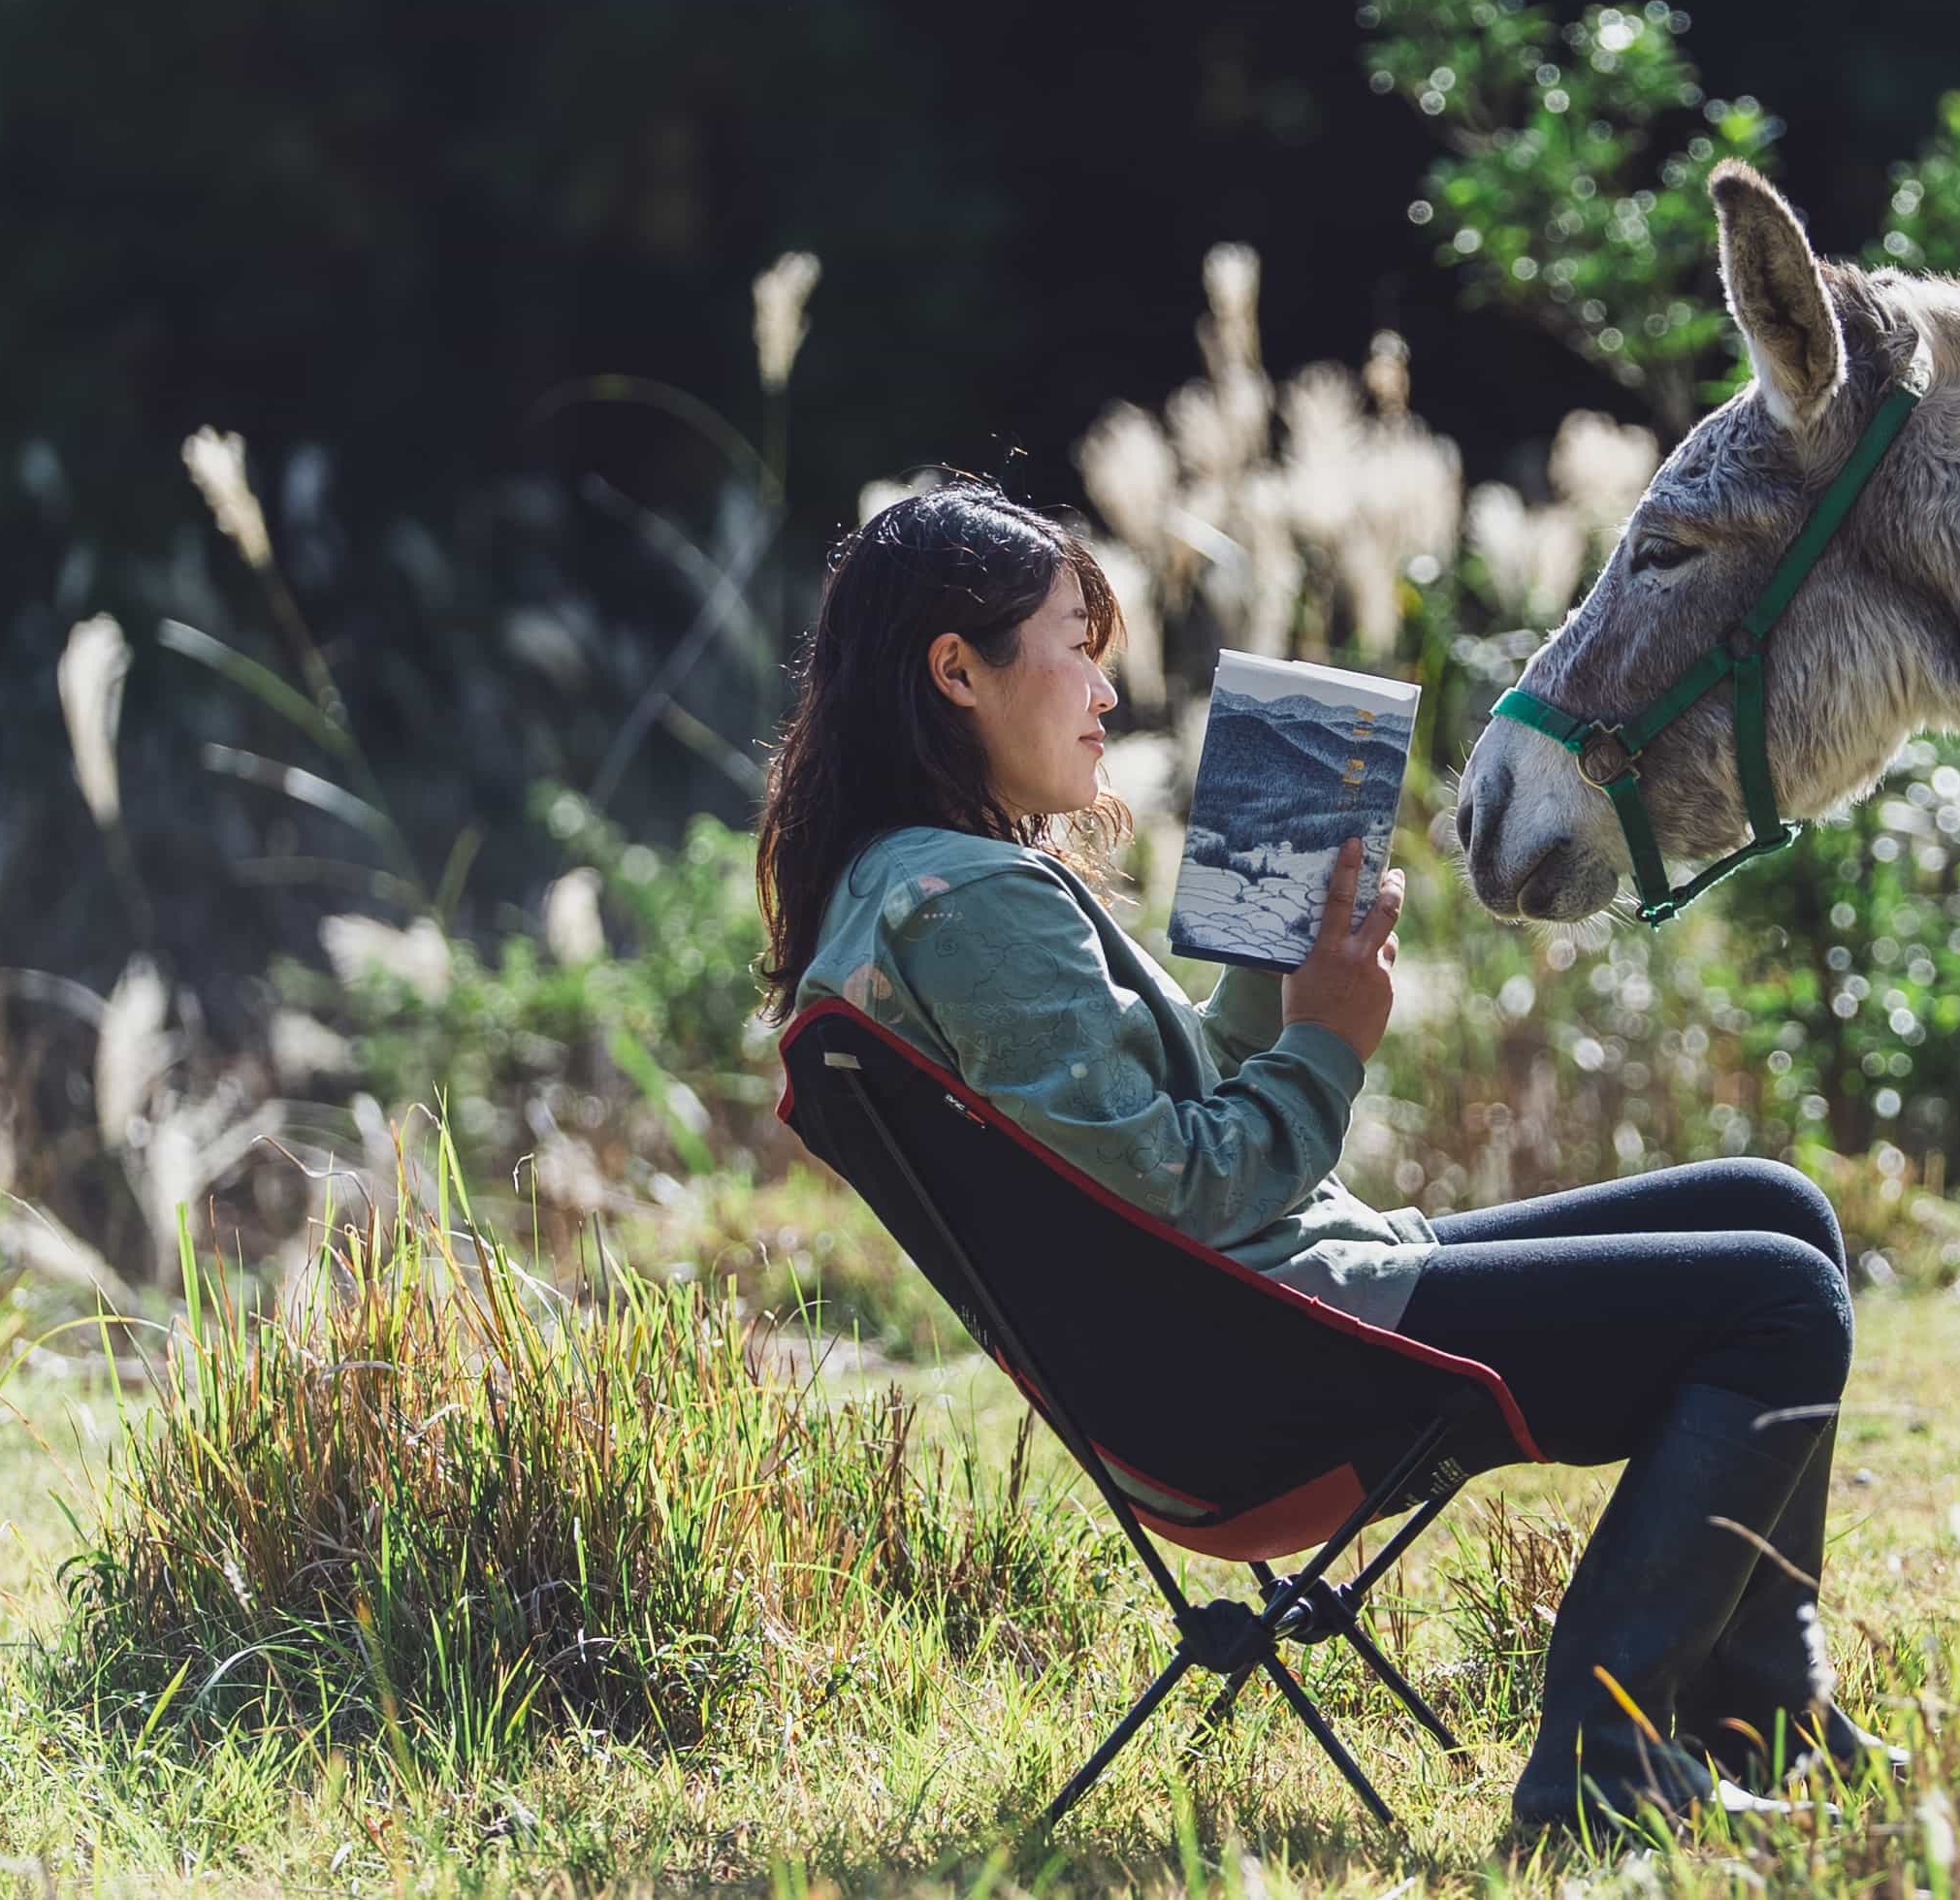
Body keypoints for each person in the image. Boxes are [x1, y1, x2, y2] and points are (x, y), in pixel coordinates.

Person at [754, 476, 1893, 1828]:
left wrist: (1280, 960)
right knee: (1777, 1298)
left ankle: (1764, 1712)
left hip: (1231, 1329)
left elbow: (1159, 1152)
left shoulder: (904, 891)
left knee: (1775, 1207)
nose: (1105, 694)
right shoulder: (975, 904)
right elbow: (1191, 1194)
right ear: (958, 671)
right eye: (1075, 648)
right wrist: (1331, 1041)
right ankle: (1607, 1761)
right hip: (1264, 1361)